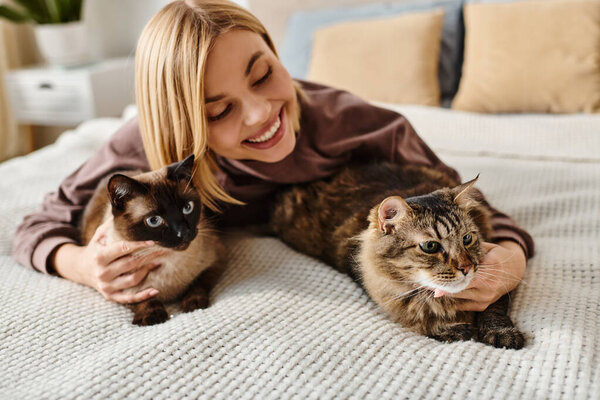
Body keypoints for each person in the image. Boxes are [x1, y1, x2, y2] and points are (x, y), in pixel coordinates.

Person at [12, 0, 533, 310]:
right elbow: (40, 224)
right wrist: (80, 264)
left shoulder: (360, 125)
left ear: (276, 52)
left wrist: (508, 259)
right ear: (182, 125)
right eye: (219, 111)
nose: (260, 114)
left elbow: (470, 208)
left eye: (264, 74)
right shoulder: (148, 148)